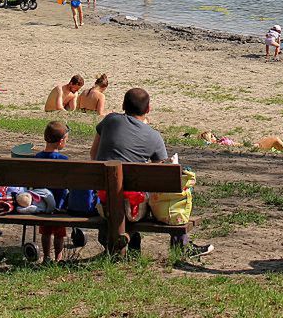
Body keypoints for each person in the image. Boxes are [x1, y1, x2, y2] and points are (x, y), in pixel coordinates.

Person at [91, 87, 214, 258]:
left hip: (104, 202)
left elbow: (93, 154)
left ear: (123, 105)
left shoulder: (110, 120)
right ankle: (182, 246)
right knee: (171, 193)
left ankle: (129, 244)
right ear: (148, 109)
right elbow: (159, 178)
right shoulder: (154, 136)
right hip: (133, 208)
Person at [35, 121, 70, 263]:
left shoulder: (37, 158)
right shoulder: (64, 159)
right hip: (59, 204)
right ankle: (59, 257)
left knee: (46, 231)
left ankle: (47, 257)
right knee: (59, 234)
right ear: (61, 141)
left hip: (42, 203)